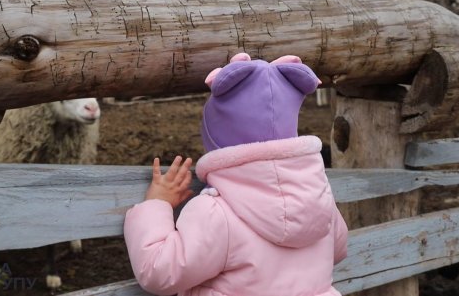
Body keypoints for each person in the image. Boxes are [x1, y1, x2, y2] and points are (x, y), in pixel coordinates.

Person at [124, 53, 348, 296]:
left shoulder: (216, 213)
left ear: (215, 138)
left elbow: (159, 273)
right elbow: (337, 250)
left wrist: (157, 204)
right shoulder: (317, 196)